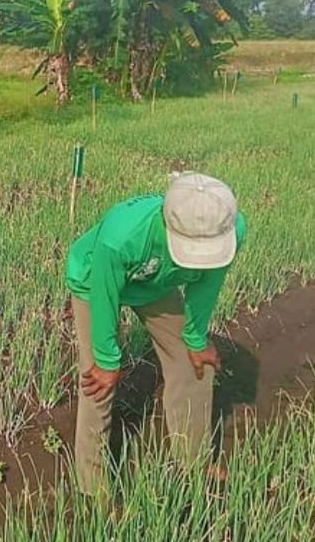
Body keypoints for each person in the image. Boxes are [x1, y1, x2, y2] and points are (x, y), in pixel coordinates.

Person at [65, 172, 246, 494]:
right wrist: (108, 361)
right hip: (95, 281)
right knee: (96, 381)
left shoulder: (229, 230)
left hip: (155, 285)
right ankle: (93, 486)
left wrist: (196, 339)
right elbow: (104, 293)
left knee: (196, 366)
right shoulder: (123, 236)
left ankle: (193, 459)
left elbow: (207, 284)